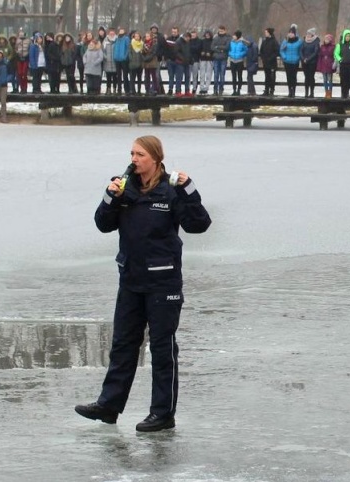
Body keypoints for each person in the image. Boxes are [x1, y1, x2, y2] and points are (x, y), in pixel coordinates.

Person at [76, 135, 212, 432]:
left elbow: (199, 225)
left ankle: (162, 414)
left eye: (140, 154)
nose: (134, 159)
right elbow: (103, 224)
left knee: (162, 349)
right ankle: (109, 405)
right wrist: (111, 196)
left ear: (155, 158)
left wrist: (189, 189)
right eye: (132, 154)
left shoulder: (171, 190)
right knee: (123, 345)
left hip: (163, 281)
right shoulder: (125, 188)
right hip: (131, 280)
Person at [279, 28, 301, 97]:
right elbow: (281, 50)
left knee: (294, 77)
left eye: (292, 33)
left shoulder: (299, 41)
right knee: (288, 77)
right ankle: (289, 91)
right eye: (290, 33)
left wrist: (298, 57)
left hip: (295, 61)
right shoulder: (285, 41)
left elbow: (301, 50)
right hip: (287, 61)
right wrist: (284, 57)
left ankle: (293, 91)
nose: (291, 34)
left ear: (295, 34)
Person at [299, 28, 319, 98]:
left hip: (312, 62)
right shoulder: (304, 41)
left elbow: (315, 52)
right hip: (304, 62)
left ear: (312, 35)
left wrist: (308, 59)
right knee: (306, 77)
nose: (307, 35)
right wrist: (303, 58)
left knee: (311, 77)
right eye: (307, 33)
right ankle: (306, 92)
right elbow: (301, 50)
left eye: (309, 34)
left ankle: (312, 92)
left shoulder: (316, 42)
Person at [259, 28, 279, 96]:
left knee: (272, 77)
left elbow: (276, 52)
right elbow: (261, 51)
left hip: (272, 63)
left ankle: (272, 90)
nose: (265, 33)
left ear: (269, 33)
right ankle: (266, 89)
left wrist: (270, 58)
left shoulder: (274, 41)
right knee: (266, 76)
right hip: (265, 63)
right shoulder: (264, 41)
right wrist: (263, 58)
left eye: (266, 32)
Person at [212, 26, 231, 95]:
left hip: (223, 58)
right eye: (219, 31)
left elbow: (227, 47)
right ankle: (215, 89)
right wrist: (220, 50)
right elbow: (212, 47)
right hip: (216, 58)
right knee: (216, 75)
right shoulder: (215, 38)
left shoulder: (228, 38)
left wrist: (218, 47)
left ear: (225, 31)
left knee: (222, 75)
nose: (220, 32)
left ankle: (221, 89)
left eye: (222, 31)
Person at [228, 30, 247, 96]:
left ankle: (239, 89)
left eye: (234, 35)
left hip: (239, 61)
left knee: (239, 76)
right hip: (232, 60)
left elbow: (246, 50)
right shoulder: (231, 42)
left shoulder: (242, 43)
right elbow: (228, 50)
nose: (233, 36)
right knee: (233, 76)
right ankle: (234, 90)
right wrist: (230, 54)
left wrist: (241, 54)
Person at [198, 29, 214, 95]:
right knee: (202, 74)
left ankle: (206, 88)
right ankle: (201, 87)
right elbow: (199, 49)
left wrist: (210, 53)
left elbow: (214, 49)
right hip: (203, 59)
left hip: (210, 59)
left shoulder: (213, 41)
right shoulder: (202, 41)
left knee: (208, 74)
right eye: (206, 34)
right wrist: (201, 53)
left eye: (208, 34)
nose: (207, 35)